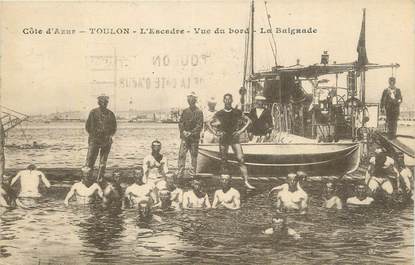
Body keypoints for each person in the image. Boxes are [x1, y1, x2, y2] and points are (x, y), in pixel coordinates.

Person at [208, 93, 255, 189]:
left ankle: (246, 182)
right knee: (224, 161)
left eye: (229, 99)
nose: (228, 101)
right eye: (226, 99)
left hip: (234, 138)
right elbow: (208, 123)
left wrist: (241, 131)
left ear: (232, 100)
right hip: (224, 138)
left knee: (241, 159)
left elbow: (249, 121)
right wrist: (215, 133)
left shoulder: (237, 112)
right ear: (223, 101)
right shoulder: (220, 113)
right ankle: (224, 183)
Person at [85, 94, 117, 182]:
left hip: (106, 141)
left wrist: (109, 136)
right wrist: (94, 136)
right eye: (102, 102)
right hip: (94, 140)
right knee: (90, 160)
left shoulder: (111, 114)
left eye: (106, 102)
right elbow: (88, 127)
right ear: (99, 103)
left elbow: (114, 128)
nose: (104, 104)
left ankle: (100, 178)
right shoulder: (93, 112)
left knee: (103, 163)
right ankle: (87, 178)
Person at [177, 91, 204, 178]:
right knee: (181, 155)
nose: (190, 100)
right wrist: (183, 131)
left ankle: (192, 174)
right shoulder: (185, 111)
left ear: (195, 100)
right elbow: (181, 123)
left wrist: (191, 133)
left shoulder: (199, 112)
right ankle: (180, 172)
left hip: (194, 139)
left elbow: (199, 125)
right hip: (185, 138)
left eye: (192, 99)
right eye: (188, 99)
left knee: (193, 156)